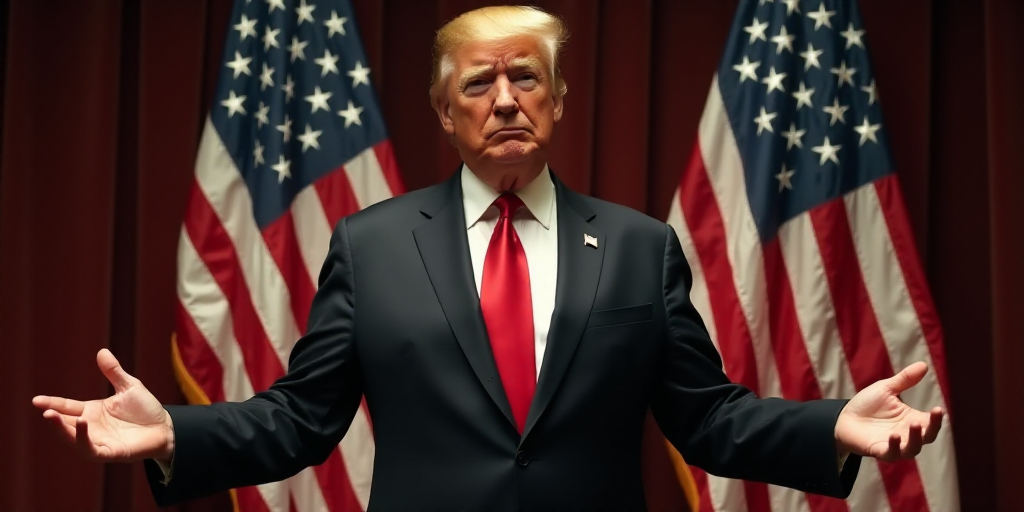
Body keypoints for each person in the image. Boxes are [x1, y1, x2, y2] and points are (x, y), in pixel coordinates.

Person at [33, 5, 944, 511]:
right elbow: (300, 421)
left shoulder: (637, 246)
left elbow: (710, 421)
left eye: (527, 77)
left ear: (555, 101)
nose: (506, 99)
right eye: (480, 82)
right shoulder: (372, 245)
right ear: (446, 111)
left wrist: (831, 426)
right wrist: (173, 436)